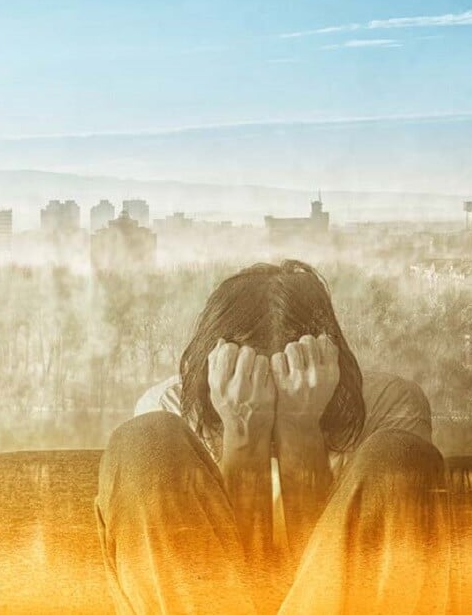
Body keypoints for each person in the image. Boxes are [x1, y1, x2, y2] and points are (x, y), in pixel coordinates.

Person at [95, 261, 451, 614]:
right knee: (146, 443)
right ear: (217, 371)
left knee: (400, 458)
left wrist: (300, 429)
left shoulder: (390, 404)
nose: (266, 397)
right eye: (248, 379)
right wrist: (243, 433)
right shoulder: (171, 408)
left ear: (328, 363)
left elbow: (341, 581)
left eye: (289, 377)